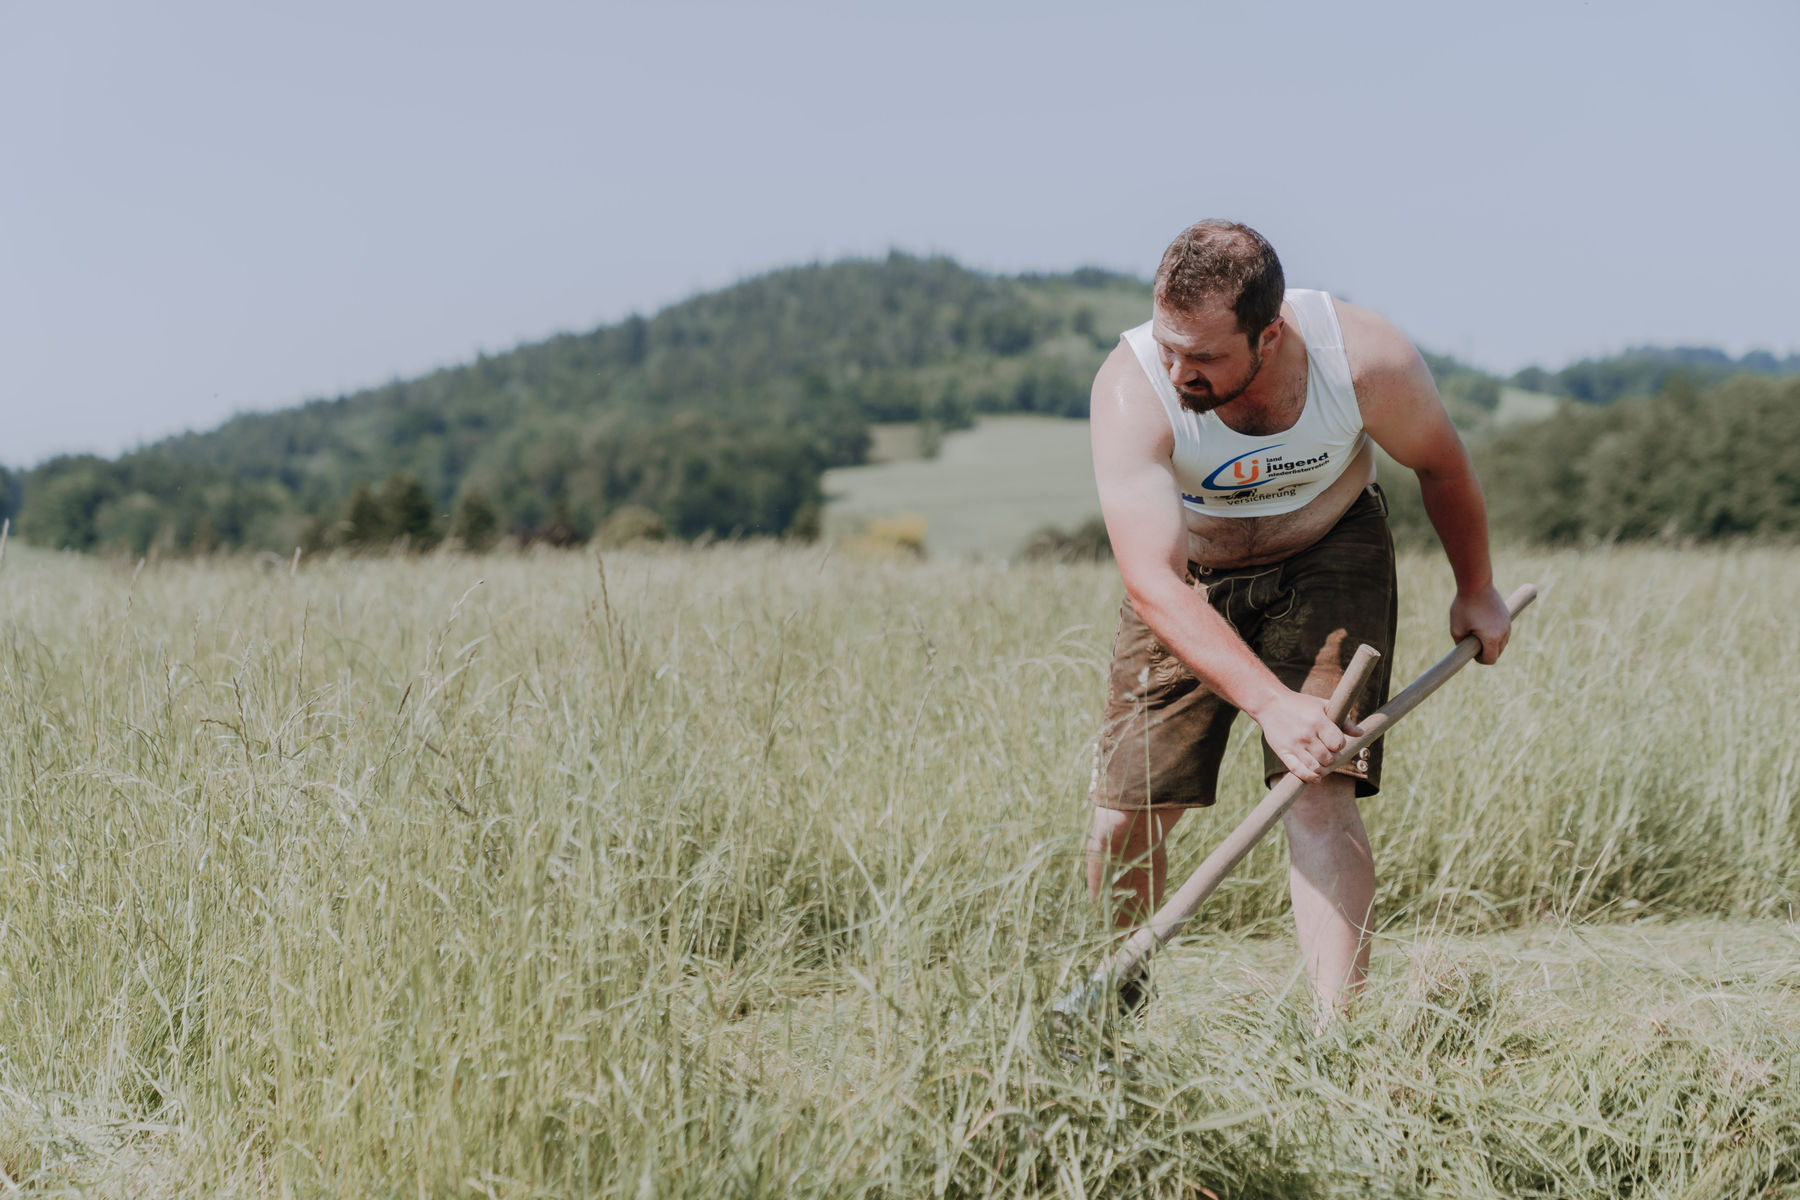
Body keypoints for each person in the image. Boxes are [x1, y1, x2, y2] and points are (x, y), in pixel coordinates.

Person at [1086, 219, 1511, 1014]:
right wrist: (1270, 703)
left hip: (1329, 552)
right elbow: (1153, 581)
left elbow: (1439, 463)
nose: (1180, 370)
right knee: (1127, 813)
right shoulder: (1130, 387)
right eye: (1169, 344)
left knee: (1318, 785)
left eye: (1205, 356)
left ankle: (1332, 1039)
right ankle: (1114, 1007)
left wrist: (1476, 587)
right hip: (1191, 585)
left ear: (1270, 332)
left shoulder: (1364, 360)